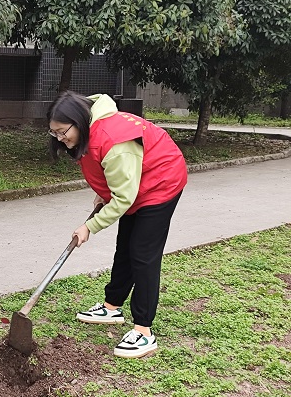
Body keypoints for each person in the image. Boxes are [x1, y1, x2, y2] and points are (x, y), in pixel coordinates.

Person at [47, 91, 187, 358]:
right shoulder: (90, 130)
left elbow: (124, 196)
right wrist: (105, 189)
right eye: (55, 134)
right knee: (125, 247)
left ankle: (144, 331)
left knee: (143, 255)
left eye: (63, 132)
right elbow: (116, 179)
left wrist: (90, 226)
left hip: (161, 182)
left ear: (79, 120)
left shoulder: (114, 139)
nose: (61, 139)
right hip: (136, 185)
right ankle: (112, 307)